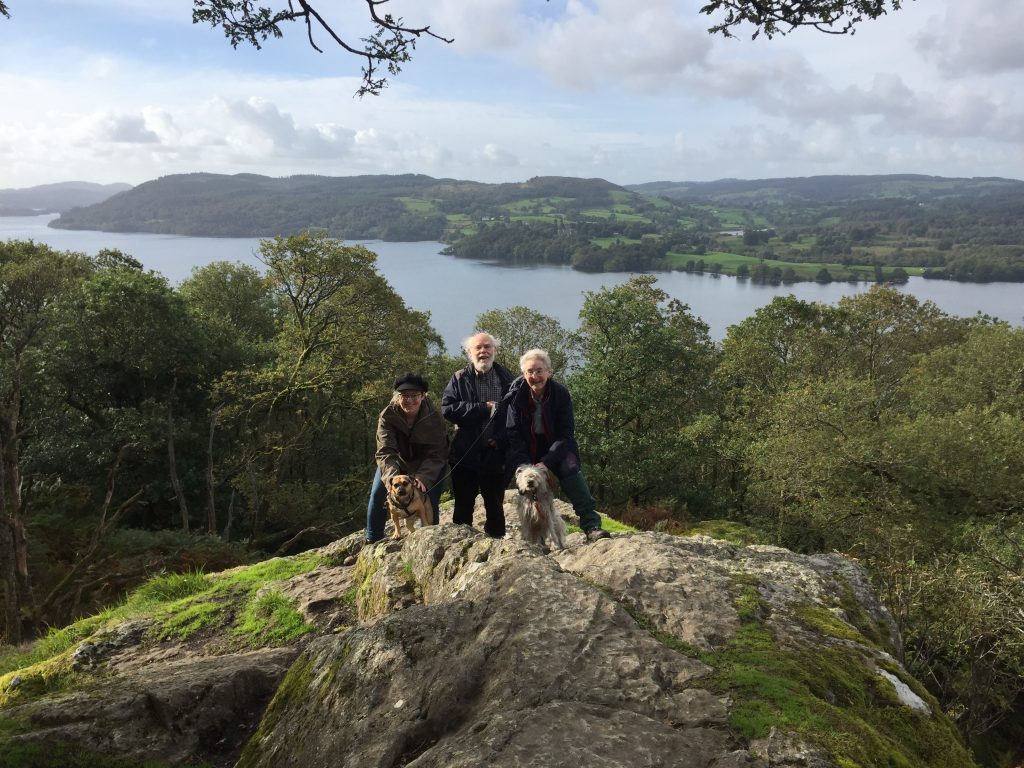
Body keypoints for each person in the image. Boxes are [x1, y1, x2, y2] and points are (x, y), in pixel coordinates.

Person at [504, 349, 609, 542]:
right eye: (529, 372)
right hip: (525, 449)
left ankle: (592, 525)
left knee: (570, 468)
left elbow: (566, 434)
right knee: (514, 476)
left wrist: (546, 462)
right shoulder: (515, 396)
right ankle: (511, 531)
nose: (535, 376)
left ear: (549, 372)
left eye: (539, 370)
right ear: (523, 374)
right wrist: (526, 464)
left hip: (557, 447)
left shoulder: (560, 394)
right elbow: (512, 432)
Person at [441, 332, 515, 538]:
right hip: (465, 454)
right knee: (463, 507)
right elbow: (448, 409)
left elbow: (516, 416)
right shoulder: (458, 378)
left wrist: (501, 439)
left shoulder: (508, 379)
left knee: (495, 508)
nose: (483, 351)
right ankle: (459, 550)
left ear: (495, 350)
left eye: (487, 347)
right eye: (478, 348)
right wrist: (482, 409)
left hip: (496, 454)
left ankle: (497, 550)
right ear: (469, 353)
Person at [365, 373, 448, 543]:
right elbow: (385, 451)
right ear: (397, 396)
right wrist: (390, 479)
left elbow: (438, 452)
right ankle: (372, 539)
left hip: (428, 464)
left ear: (423, 396)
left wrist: (423, 477)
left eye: (414, 395)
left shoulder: (435, 417)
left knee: (429, 500)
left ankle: (428, 541)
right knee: (378, 494)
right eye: (404, 395)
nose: (409, 400)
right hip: (397, 463)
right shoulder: (387, 416)